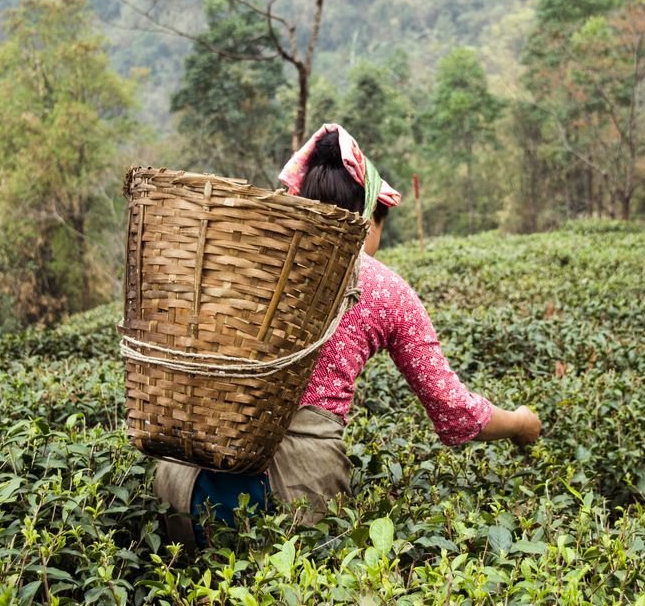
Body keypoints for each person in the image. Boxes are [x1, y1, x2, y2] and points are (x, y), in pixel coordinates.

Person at [154, 124, 541, 548]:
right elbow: (455, 414)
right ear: (366, 219)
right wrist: (521, 423)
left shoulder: (247, 257)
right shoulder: (383, 287)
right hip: (292, 491)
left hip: (182, 483)